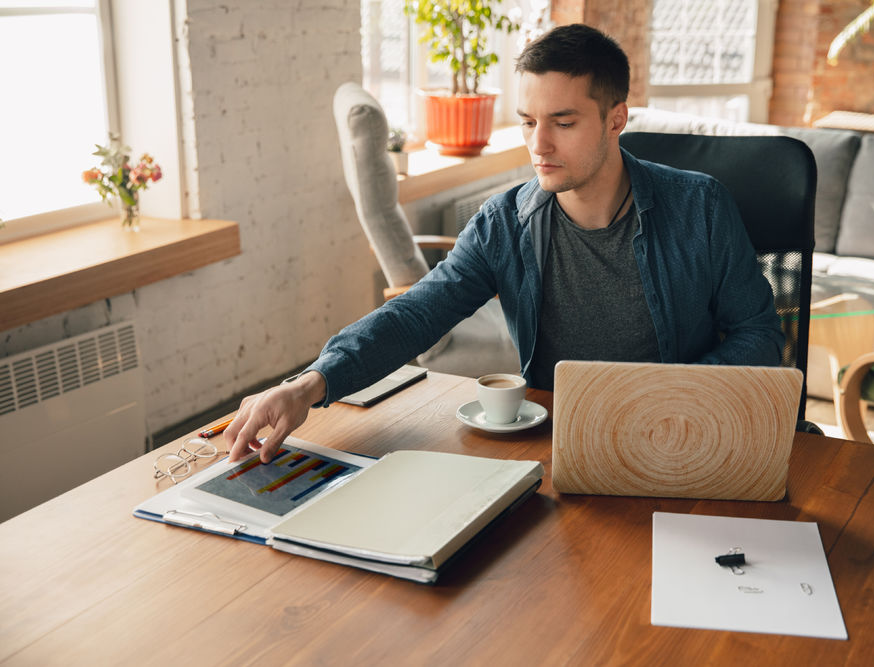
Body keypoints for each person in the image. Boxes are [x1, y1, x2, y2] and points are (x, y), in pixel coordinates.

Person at [224, 24, 784, 463]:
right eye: (527, 121)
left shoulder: (701, 207)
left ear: (617, 119)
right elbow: (416, 314)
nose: (538, 145)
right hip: (562, 447)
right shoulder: (505, 223)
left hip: (685, 436)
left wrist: (660, 399)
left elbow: (759, 337)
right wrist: (309, 384)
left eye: (563, 122)